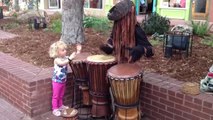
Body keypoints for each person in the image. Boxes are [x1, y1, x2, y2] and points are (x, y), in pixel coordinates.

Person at [49, 40, 81, 116]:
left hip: (63, 80)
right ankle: (55, 109)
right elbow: (63, 63)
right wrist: (69, 59)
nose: (65, 51)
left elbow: (72, 57)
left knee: (61, 94)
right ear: (57, 52)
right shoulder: (57, 60)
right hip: (56, 81)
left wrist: (78, 51)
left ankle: (60, 106)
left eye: (65, 49)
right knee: (56, 96)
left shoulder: (65, 57)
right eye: (63, 50)